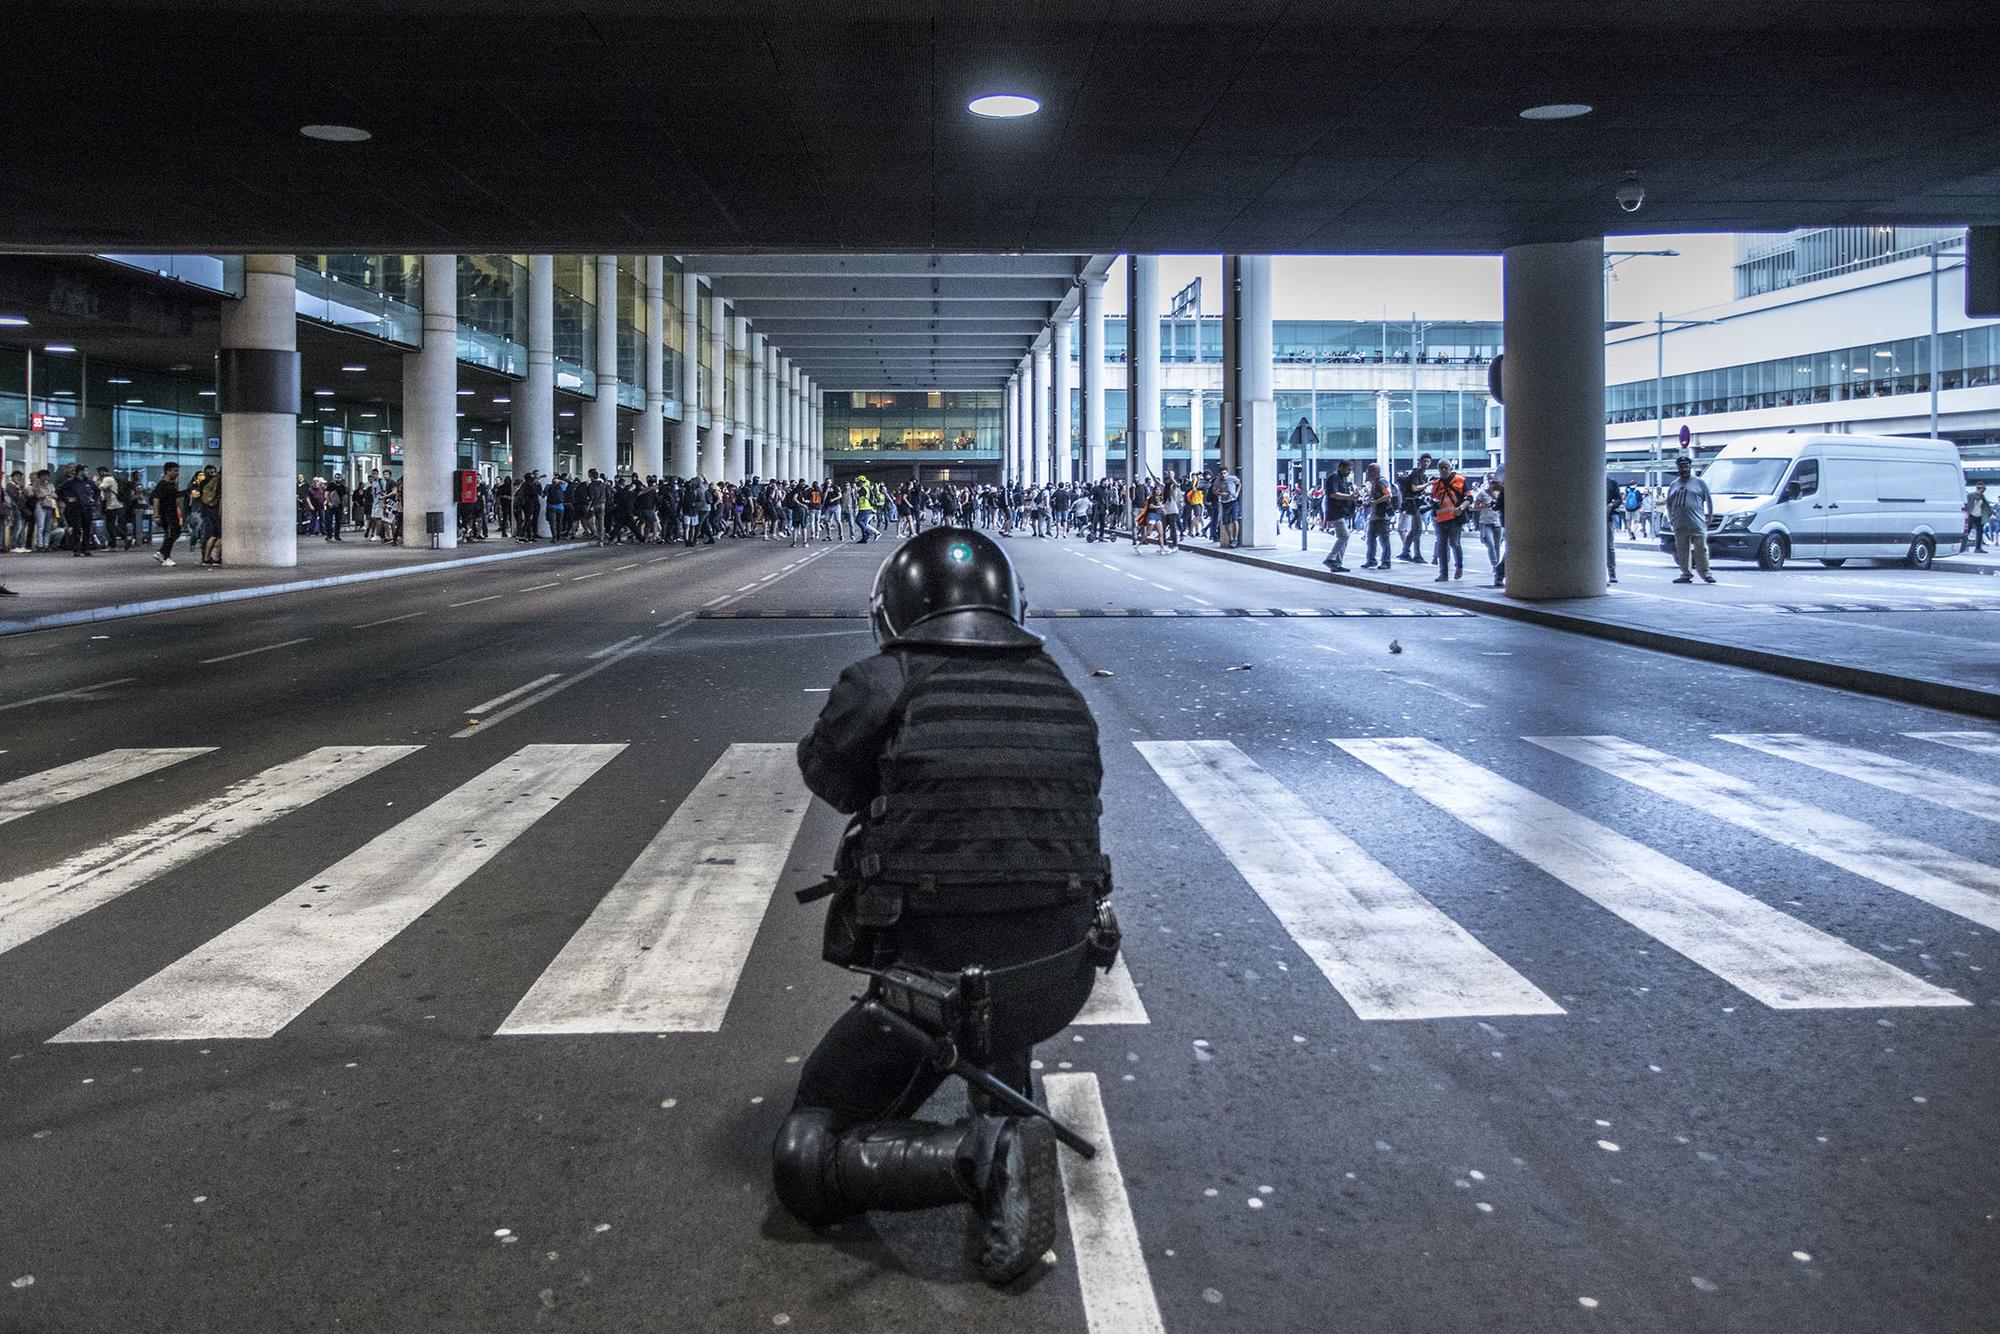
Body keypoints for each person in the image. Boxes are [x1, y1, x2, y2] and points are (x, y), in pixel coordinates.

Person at [775, 526, 1113, 1286]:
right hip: (1057, 975)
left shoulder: (886, 676)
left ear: (896, 607)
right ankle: (1006, 1116)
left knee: (806, 1150)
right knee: (1000, 974)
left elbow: (830, 776)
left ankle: (982, 1155)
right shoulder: (1059, 685)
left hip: (930, 984)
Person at [1665, 454, 1715, 584]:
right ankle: (1685, 574)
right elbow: (1669, 503)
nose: (1684, 469)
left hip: (1697, 522)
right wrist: (1671, 518)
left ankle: (1706, 574)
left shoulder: (1699, 483)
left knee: (1701, 549)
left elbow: (1708, 500)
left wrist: (1710, 515)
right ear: (1677, 468)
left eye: (1686, 466)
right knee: (1682, 549)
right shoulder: (1673, 485)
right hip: (1680, 523)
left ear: (1690, 467)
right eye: (1681, 467)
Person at [1431, 458, 1467, 581]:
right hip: (1440, 519)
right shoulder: (1436, 484)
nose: (1443, 470)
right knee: (1442, 546)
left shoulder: (1460, 480)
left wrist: (1461, 507)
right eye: (1441, 467)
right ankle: (1443, 574)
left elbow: (1469, 497)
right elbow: (1434, 500)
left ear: (1450, 468)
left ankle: (1459, 566)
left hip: (1455, 518)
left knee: (1454, 543)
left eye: (1446, 467)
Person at [1322, 460, 1355, 572]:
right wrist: (1350, 497)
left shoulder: (1342, 478)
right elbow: (1333, 494)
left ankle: (1337, 563)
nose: (1349, 472)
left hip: (1340, 511)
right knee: (1344, 536)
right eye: (1348, 469)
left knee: (1343, 537)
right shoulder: (1334, 477)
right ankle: (1330, 559)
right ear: (1341, 467)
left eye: (1350, 470)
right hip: (1335, 512)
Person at [1361, 462, 1394, 570]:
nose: (1368, 473)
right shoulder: (1374, 482)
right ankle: (1371, 560)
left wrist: (1375, 502)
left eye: (1369, 470)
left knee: (1384, 540)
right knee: (1370, 539)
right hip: (1375, 515)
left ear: (1375, 471)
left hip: (1382, 515)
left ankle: (1386, 562)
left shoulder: (1381, 481)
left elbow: (1388, 495)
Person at [1605, 475, 1622, 584]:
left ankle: (1612, 573)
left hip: (1607, 517)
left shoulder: (1611, 482)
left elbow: (1618, 499)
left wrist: (1611, 505)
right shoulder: (1586, 479)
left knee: (1609, 546)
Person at [1966, 482, 1991, 554]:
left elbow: (1986, 506)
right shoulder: (1970, 495)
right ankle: (1963, 546)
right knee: (1967, 530)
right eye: (1979, 488)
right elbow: (1967, 505)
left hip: (1979, 516)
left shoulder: (1983, 497)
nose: (1981, 490)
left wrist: (1990, 514)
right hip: (1971, 515)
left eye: (1982, 489)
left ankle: (1978, 548)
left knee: (1980, 532)